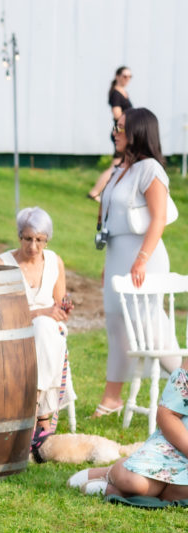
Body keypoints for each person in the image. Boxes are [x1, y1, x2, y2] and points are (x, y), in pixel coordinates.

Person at [92, 108, 173, 418]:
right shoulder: (120, 169)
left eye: (122, 128)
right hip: (117, 257)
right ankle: (111, 399)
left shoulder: (150, 170)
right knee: (116, 328)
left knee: (148, 330)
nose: (115, 132)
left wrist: (141, 260)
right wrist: (109, 261)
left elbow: (159, 218)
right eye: (116, 126)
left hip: (144, 260)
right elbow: (112, 218)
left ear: (138, 132)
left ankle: (184, 387)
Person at [0, 207, 76, 450]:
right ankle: (42, 417)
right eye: (28, 238)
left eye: (40, 240)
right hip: (13, 331)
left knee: (46, 329)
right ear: (19, 236)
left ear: (47, 240)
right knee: (42, 327)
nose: (33, 246)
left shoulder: (55, 262)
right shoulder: (2, 264)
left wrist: (63, 309)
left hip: (48, 331)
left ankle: (34, 404)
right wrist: (41, 313)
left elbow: (59, 306)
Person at [71, 367, 188, 500]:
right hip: (176, 444)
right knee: (137, 484)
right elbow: (166, 415)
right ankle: (111, 473)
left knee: (178, 493)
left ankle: (119, 493)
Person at [87, 66, 133, 202]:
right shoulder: (116, 94)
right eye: (125, 76)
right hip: (121, 132)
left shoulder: (123, 92)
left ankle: (106, 192)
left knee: (122, 164)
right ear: (117, 76)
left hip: (125, 132)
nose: (127, 79)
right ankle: (95, 192)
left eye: (130, 76)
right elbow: (117, 114)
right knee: (116, 165)